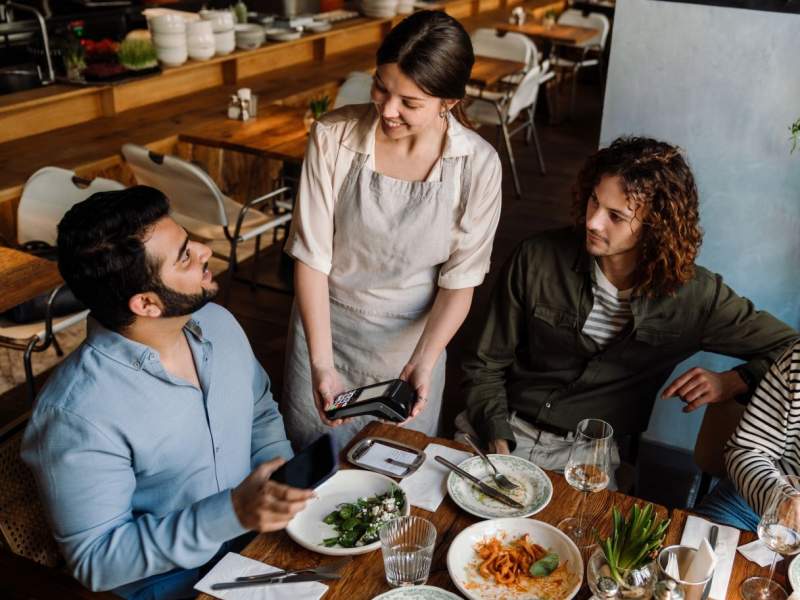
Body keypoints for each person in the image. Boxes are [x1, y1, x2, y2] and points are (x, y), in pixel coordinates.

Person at [22, 186, 313, 599]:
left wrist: (280, 486)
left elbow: (259, 410)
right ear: (147, 304)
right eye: (184, 256)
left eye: (188, 240)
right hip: (176, 586)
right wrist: (231, 513)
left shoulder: (219, 323)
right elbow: (97, 561)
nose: (205, 250)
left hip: (263, 546)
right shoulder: (75, 414)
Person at [458, 137, 798, 477]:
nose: (593, 221)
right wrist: (498, 444)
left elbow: (790, 349)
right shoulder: (536, 258)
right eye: (594, 201)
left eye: (615, 216)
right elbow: (484, 364)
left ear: (655, 227)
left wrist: (734, 381)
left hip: (588, 454)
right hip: (501, 425)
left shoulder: (696, 297)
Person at [283, 10, 503, 449]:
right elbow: (311, 256)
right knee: (310, 470)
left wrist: (422, 363)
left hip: (411, 347)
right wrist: (322, 365)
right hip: (326, 331)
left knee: (393, 477)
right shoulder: (333, 136)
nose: (387, 109)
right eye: (381, 87)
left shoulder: (477, 166)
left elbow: (460, 282)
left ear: (449, 102)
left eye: (410, 102)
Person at [693, 340, 800, 532]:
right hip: (759, 501)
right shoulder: (797, 359)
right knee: (691, 552)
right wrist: (781, 500)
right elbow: (748, 449)